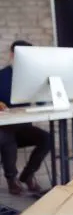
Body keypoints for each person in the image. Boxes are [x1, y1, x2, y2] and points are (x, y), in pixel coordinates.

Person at [0, 40, 51, 195]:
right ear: (12, 55)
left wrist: (47, 85)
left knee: (47, 139)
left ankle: (27, 175)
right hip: (3, 128)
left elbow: (42, 102)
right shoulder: (2, 75)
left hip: (23, 128)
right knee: (7, 138)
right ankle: (11, 179)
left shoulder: (31, 77)